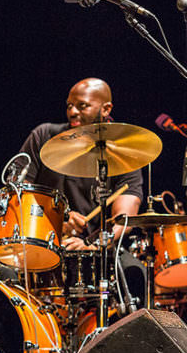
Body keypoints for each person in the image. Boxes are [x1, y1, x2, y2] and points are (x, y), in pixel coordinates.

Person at [17, 77, 143, 250]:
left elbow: (126, 214)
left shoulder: (123, 150)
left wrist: (92, 245)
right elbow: (18, 192)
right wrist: (59, 217)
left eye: (82, 106)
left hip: (96, 248)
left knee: (135, 272)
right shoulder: (44, 136)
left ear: (106, 109)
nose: (72, 112)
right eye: (69, 105)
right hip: (43, 240)